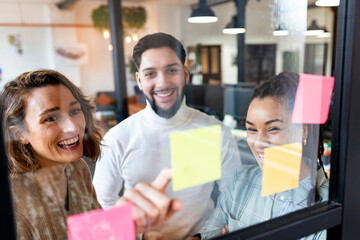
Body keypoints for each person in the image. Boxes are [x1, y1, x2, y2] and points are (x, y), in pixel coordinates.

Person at [1, 69, 181, 240]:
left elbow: (95, 232)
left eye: (74, 111)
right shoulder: (12, 202)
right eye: (50, 118)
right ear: (19, 134)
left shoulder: (77, 168)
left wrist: (139, 234)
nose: (73, 127)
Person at [93, 32, 241, 239]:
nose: (162, 83)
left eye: (171, 70)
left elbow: (233, 199)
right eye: (150, 73)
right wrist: (140, 236)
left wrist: (204, 236)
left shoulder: (215, 132)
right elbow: (101, 203)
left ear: (185, 75)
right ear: (140, 80)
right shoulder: (117, 139)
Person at [200, 72, 329, 239]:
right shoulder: (240, 180)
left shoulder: (326, 207)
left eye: (273, 129)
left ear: (303, 130)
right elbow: (209, 234)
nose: (259, 142)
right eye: (252, 129)